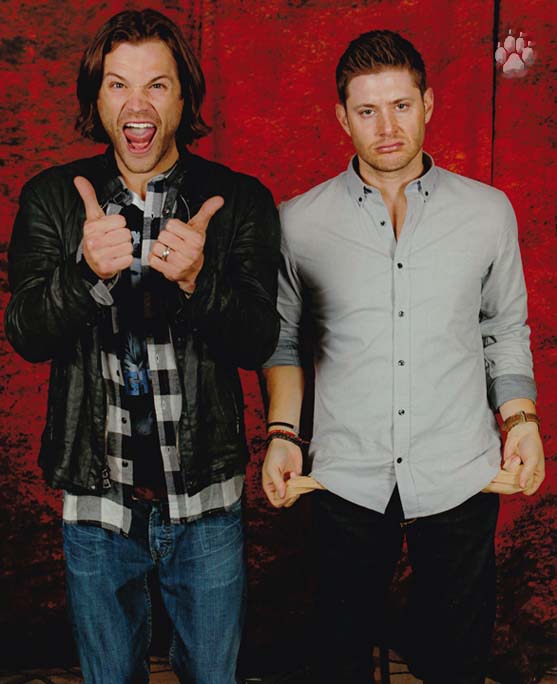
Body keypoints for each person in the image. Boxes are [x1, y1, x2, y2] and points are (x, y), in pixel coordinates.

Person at [5, 9, 280, 684]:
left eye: (157, 85)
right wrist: (84, 276)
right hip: (97, 502)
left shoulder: (238, 200)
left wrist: (198, 282)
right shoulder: (52, 198)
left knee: (212, 674)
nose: (137, 104)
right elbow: (26, 334)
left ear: (183, 98)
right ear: (96, 99)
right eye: (118, 84)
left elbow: (259, 340)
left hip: (205, 499)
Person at [261, 30, 544, 684]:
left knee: (455, 662)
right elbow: (284, 340)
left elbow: (503, 326)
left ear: (428, 104)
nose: (386, 127)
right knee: (337, 661)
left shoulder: (487, 212)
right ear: (342, 117)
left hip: (459, 470)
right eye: (367, 110)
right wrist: (283, 435)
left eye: (401, 106)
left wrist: (521, 420)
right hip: (345, 474)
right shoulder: (297, 222)